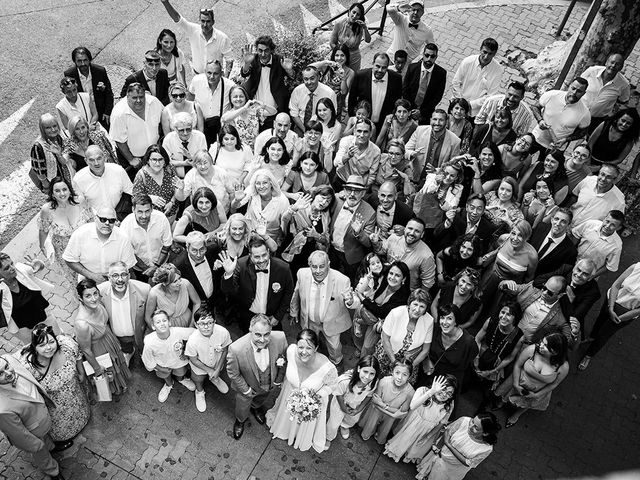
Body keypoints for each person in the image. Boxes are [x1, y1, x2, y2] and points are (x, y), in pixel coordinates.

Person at [17, 324, 90, 451]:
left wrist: (81, 372)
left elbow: (78, 354)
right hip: (54, 408)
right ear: (34, 348)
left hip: (75, 396)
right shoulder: (28, 366)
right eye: (42, 345)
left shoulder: (67, 346)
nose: (48, 348)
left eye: (51, 342)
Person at [265, 329, 338, 453]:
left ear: (316, 348)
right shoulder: (290, 351)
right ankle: (285, 429)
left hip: (310, 402)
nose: (303, 352)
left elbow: (332, 386)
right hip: (289, 396)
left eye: (309, 348)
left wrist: (314, 397)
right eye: (301, 347)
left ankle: (301, 435)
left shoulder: (327, 368)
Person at [0, 355, 64, 480]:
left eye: (7, 367)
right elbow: (19, 435)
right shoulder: (2, 409)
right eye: (0, 374)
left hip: (42, 420)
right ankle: (52, 471)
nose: (8, 373)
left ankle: (52, 448)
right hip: (33, 433)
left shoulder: (10, 359)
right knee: (41, 453)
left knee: (47, 441)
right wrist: (36, 446)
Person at [226, 314, 288, 439]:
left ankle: (256, 407)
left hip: (269, 383)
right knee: (242, 406)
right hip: (247, 387)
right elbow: (233, 373)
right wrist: (246, 390)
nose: (262, 339)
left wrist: (277, 381)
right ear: (250, 330)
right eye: (258, 334)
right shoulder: (236, 349)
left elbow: (284, 360)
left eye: (266, 334)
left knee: (262, 397)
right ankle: (240, 420)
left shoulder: (280, 338)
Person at [289, 251, 352, 366]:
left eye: (322, 266)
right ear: (309, 265)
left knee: (334, 346)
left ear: (328, 264)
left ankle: (336, 362)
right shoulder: (302, 274)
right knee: (309, 343)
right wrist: (294, 312)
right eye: (314, 267)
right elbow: (296, 293)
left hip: (332, 321)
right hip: (310, 321)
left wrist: (351, 301)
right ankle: (311, 362)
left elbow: (353, 301)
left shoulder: (342, 280)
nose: (318, 271)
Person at [220, 237, 294, 332]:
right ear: (250, 255)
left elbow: (288, 293)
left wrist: (278, 316)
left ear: (268, 251)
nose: (262, 260)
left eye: (264, 255)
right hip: (249, 316)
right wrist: (229, 273)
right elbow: (227, 290)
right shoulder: (241, 265)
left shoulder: (283, 268)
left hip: (272, 316)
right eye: (257, 257)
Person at [495, 332, 569, 427]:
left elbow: (554, 384)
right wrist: (515, 384)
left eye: (545, 346)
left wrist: (536, 395)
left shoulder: (563, 367)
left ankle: (516, 415)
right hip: (519, 380)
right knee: (507, 394)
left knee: (528, 404)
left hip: (538, 391)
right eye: (542, 341)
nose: (540, 345)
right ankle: (502, 402)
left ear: (555, 352)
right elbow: (518, 365)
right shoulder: (532, 349)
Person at [73, 279, 131, 396]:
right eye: (88, 296)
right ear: (80, 299)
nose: (94, 299)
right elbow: (86, 350)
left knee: (117, 364)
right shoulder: (82, 324)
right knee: (108, 371)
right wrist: (97, 368)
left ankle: (121, 383)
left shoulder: (98, 305)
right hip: (98, 351)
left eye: (95, 293)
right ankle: (113, 390)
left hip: (109, 340)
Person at [579, 261, 640, 371]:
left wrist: (621, 318)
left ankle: (588, 355)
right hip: (611, 299)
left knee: (604, 334)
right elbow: (616, 285)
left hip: (625, 313)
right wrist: (611, 307)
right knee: (599, 321)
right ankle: (591, 337)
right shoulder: (635, 267)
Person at [384, 375, 456, 463]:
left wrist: (427, 437)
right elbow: (413, 406)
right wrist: (432, 391)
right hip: (412, 425)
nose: (444, 394)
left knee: (415, 447)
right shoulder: (423, 391)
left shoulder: (447, 406)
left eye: (449, 393)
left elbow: (441, 423)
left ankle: (409, 454)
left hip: (426, 431)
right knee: (404, 440)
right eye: (443, 388)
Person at [38, 177, 94, 285]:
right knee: (76, 281)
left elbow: (92, 220)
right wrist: (42, 246)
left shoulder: (80, 201)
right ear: (52, 194)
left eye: (64, 189)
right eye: (57, 191)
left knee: (93, 274)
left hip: (86, 246)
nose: (62, 193)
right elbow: (43, 230)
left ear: (69, 190)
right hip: (64, 251)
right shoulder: (47, 209)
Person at [347, 261, 410, 356]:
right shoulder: (384, 280)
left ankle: (363, 363)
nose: (392, 277)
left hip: (380, 321)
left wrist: (362, 298)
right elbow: (375, 265)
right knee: (357, 331)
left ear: (403, 278)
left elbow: (381, 312)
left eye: (397, 275)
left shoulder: (403, 296)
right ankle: (359, 347)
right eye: (391, 273)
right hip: (369, 312)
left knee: (368, 346)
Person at [374, 288, 434, 383]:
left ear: (426, 309)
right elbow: (385, 339)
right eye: (415, 304)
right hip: (387, 354)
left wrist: (409, 367)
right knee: (381, 381)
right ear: (409, 304)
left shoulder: (429, 321)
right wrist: (394, 362)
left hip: (411, 361)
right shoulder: (396, 313)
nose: (417, 309)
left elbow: (425, 350)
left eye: (422, 306)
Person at [415, 413, 500, 480]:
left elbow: (469, 463)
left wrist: (448, 445)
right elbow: (448, 431)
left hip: (451, 469)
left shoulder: (486, 449)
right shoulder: (464, 420)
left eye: (476, 428)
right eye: (473, 421)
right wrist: (439, 446)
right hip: (440, 454)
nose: (470, 426)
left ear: (485, 433)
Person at [62, 206, 136, 283]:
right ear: (95, 219)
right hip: (88, 282)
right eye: (103, 219)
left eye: (111, 220)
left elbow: (128, 266)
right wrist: (91, 275)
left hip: (116, 282)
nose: (107, 223)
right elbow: (69, 259)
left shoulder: (123, 238)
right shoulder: (80, 234)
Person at [473, 301, 524, 412]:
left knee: (488, 393)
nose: (503, 317)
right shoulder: (491, 321)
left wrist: (492, 371)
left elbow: (510, 357)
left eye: (509, 314)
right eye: (502, 312)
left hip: (497, 364)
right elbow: (477, 339)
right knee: (470, 377)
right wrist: (476, 359)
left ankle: (482, 408)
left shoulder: (519, 336)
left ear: (515, 318)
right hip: (481, 353)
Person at [499, 276, 578, 346]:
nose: (544, 292)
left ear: (560, 295)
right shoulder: (530, 290)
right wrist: (505, 283)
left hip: (526, 346)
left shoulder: (561, 315)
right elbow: (506, 287)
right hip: (508, 335)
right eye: (544, 288)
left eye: (550, 293)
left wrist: (575, 333)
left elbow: (567, 343)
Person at [98, 261, 150, 366]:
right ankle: (129, 352)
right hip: (119, 336)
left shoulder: (145, 289)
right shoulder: (100, 292)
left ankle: (143, 354)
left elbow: (152, 314)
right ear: (109, 278)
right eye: (115, 276)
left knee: (145, 353)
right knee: (126, 346)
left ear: (129, 276)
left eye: (124, 275)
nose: (120, 279)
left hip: (140, 333)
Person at [160, 0, 232, 75]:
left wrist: (225, 79)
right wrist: (165, 2)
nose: (205, 24)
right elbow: (178, 19)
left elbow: (229, 60)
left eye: (208, 21)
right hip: (197, 75)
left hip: (215, 78)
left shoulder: (222, 38)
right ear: (199, 21)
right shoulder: (193, 30)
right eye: (203, 21)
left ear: (213, 22)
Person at [534, 258, 601, 336]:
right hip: (546, 305)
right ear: (574, 268)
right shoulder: (566, 269)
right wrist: (564, 290)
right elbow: (537, 281)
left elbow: (573, 318)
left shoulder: (593, 292)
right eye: (578, 270)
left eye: (585, 274)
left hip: (561, 321)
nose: (579, 275)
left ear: (590, 277)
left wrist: (562, 294)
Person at [239, 35, 295, 129]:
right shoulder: (253, 59)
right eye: (260, 50)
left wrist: (289, 70)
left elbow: (292, 77)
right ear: (257, 50)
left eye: (266, 50)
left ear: (271, 50)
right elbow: (244, 74)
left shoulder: (279, 60)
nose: (263, 54)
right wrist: (247, 63)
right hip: (255, 113)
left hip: (275, 112)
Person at [141, 309, 196, 403]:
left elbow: (194, 334)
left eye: (164, 320)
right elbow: (148, 360)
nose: (162, 324)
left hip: (178, 361)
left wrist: (187, 352)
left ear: (169, 322)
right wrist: (161, 368)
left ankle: (182, 379)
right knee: (165, 375)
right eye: (158, 322)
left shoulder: (177, 332)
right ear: (153, 326)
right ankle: (168, 385)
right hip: (162, 364)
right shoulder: (150, 342)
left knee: (181, 372)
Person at [0, 254, 57, 343]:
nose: (12, 268)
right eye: (7, 268)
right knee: (37, 349)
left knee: (58, 338)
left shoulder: (20, 269)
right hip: (24, 329)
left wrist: (38, 264)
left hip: (45, 316)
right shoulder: (1, 290)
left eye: (12, 263)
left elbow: (37, 267)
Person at [109, 84, 164, 177]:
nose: (138, 100)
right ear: (127, 97)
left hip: (154, 156)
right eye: (134, 97)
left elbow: (164, 118)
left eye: (141, 97)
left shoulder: (154, 102)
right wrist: (131, 159)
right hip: (132, 160)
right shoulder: (119, 113)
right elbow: (119, 140)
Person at [480, 220, 538, 306]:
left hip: (506, 291)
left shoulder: (532, 256)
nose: (515, 238)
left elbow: (528, 279)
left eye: (520, 235)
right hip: (488, 279)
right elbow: (492, 253)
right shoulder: (504, 238)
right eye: (513, 233)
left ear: (527, 237)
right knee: (477, 304)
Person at [329, 175, 376, 280]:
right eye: (349, 190)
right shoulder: (336, 200)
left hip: (351, 257)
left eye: (357, 191)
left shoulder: (370, 212)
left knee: (348, 281)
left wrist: (359, 232)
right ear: (344, 190)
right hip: (332, 250)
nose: (352, 194)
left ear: (363, 193)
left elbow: (368, 242)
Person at [325, 356, 380, 446]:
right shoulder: (345, 381)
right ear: (359, 368)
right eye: (365, 371)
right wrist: (343, 408)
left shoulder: (373, 383)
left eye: (372, 374)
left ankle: (344, 426)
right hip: (341, 403)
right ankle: (329, 437)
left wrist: (359, 409)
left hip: (356, 404)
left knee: (352, 419)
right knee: (334, 422)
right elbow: (338, 394)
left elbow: (368, 396)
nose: (367, 377)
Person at [185, 307, 231, 412]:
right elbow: (194, 359)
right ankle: (199, 391)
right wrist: (209, 370)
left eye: (209, 322)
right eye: (202, 323)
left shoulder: (223, 332)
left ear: (214, 321)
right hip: (199, 366)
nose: (206, 327)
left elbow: (225, 349)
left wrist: (218, 369)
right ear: (196, 325)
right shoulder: (192, 341)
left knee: (216, 373)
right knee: (198, 379)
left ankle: (215, 379)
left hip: (216, 362)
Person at [359, 359, 415, 444]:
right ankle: (369, 431)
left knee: (386, 426)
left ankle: (379, 435)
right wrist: (392, 412)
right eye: (397, 373)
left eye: (404, 375)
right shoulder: (384, 382)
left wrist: (382, 404)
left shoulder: (410, 392)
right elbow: (375, 402)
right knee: (373, 419)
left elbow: (401, 412)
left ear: (409, 377)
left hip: (389, 416)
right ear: (392, 372)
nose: (400, 377)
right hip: (377, 410)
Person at [372, 217, 436, 291]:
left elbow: (427, 283)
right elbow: (381, 252)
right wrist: (376, 243)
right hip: (386, 284)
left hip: (406, 292)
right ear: (405, 229)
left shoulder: (427, 256)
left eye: (417, 231)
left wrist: (416, 298)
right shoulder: (393, 238)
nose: (412, 233)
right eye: (410, 228)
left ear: (422, 234)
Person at [280, 186, 335, 273]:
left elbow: (327, 240)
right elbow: (284, 219)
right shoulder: (301, 206)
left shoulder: (325, 216)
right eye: (323, 198)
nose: (324, 202)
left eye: (328, 201)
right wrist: (294, 208)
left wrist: (316, 235)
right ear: (315, 195)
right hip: (292, 252)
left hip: (310, 258)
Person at [120, 194, 173, 282]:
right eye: (140, 212)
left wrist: (156, 266)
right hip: (140, 269)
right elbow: (128, 251)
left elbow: (167, 244)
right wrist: (147, 269)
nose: (144, 216)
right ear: (133, 210)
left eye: (147, 211)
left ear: (152, 208)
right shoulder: (126, 225)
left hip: (162, 264)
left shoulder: (161, 219)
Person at [231, 169, 291, 247]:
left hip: (269, 240)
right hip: (248, 235)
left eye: (265, 183)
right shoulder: (252, 190)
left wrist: (280, 240)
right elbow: (233, 209)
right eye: (258, 183)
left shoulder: (282, 200)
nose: (261, 186)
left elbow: (285, 224)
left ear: (271, 183)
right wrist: (236, 200)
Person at [423, 304, 478, 387]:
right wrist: (426, 360)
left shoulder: (468, 342)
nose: (444, 322)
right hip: (428, 374)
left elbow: (469, 362)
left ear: (456, 321)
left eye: (449, 318)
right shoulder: (435, 330)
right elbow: (424, 348)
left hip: (449, 382)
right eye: (442, 317)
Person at [530, 77, 591, 152]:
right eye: (573, 88)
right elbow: (535, 107)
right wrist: (540, 120)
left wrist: (566, 139)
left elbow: (583, 132)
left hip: (556, 147)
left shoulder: (585, 112)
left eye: (579, 91)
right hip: (537, 137)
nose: (574, 92)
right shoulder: (553, 95)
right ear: (569, 86)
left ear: (584, 93)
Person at [72, 145, 133, 217]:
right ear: (86, 161)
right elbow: (80, 206)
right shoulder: (78, 179)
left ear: (105, 157)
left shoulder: (118, 170)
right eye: (91, 160)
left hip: (121, 216)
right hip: (95, 220)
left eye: (99, 158)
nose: (96, 163)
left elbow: (131, 192)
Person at [348, 53, 403, 130]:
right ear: (373, 64)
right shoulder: (360, 76)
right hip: (362, 124)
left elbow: (397, 103)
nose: (380, 70)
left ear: (388, 66)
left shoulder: (396, 79)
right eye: (377, 66)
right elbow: (352, 99)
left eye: (384, 67)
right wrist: (355, 119)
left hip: (383, 126)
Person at [405, 110, 461, 185]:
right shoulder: (420, 130)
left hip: (435, 182)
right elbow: (405, 150)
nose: (437, 123)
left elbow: (454, 165)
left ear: (446, 122)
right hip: (414, 177)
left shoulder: (455, 141)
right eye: (435, 119)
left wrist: (437, 170)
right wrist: (412, 154)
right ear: (430, 120)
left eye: (441, 120)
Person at [451, 38, 503, 118]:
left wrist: (470, 104)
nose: (486, 57)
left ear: (494, 54)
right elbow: (456, 82)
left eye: (490, 54)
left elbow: (491, 96)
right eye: (484, 52)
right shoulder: (468, 62)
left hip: (476, 112)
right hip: (457, 107)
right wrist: (461, 102)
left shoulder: (497, 70)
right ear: (480, 49)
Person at [189, 60, 236, 146]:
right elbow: (190, 98)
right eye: (209, 73)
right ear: (204, 72)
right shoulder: (197, 81)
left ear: (221, 73)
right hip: (202, 126)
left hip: (221, 127)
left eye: (216, 73)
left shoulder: (229, 85)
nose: (212, 76)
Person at [64, 46, 114, 128]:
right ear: (75, 61)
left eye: (85, 60)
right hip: (83, 113)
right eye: (79, 61)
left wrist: (107, 112)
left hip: (101, 112)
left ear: (89, 59)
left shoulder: (100, 71)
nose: (83, 64)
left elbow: (108, 93)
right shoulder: (69, 74)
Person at [132, 145, 183, 222]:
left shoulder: (169, 169)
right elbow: (135, 197)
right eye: (154, 160)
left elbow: (177, 187)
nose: (157, 163)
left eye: (160, 159)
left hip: (172, 214)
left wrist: (172, 202)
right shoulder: (141, 175)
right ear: (148, 160)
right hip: (152, 218)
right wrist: (150, 198)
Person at [413, 160, 465, 235]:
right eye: (446, 173)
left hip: (435, 221)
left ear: (456, 178)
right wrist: (436, 182)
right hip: (420, 210)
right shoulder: (432, 177)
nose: (448, 177)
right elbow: (426, 191)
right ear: (442, 171)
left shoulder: (458, 188)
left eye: (452, 175)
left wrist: (443, 200)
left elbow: (452, 208)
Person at [580, 53, 630, 131]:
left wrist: (612, 112)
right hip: (577, 111)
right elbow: (578, 85)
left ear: (621, 67)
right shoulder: (592, 71)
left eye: (617, 64)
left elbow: (623, 100)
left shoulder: (624, 84)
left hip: (596, 120)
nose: (613, 66)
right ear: (606, 62)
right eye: (612, 62)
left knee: (584, 141)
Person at [173, 231, 219, 313]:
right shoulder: (178, 265)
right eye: (194, 251)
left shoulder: (213, 250)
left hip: (214, 301)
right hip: (194, 307)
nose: (198, 255)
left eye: (202, 249)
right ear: (187, 248)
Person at [402, 43, 447, 125]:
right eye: (427, 55)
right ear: (423, 54)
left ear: (436, 57)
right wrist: (412, 109)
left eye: (432, 56)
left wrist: (421, 112)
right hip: (408, 110)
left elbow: (437, 96)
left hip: (426, 114)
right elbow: (405, 89)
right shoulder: (412, 68)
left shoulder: (441, 73)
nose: (429, 59)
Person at [221, 85, 277, 149]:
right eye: (235, 97)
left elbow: (273, 112)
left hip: (255, 149)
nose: (238, 99)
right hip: (238, 150)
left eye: (241, 96)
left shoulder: (253, 111)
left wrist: (263, 105)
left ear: (245, 97)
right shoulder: (230, 114)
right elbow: (224, 119)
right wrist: (244, 108)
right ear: (230, 99)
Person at [146, 263, 201, 328]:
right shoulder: (154, 293)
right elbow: (148, 318)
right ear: (165, 283)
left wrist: (192, 324)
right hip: (167, 326)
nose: (180, 283)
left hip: (188, 321)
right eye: (175, 281)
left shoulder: (186, 284)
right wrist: (160, 331)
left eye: (179, 278)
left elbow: (197, 303)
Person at [309, 45, 356, 122]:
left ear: (346, 56)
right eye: (337, 55)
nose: (339, 58)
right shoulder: (327, 67)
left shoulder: (350, 72)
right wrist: (325, 62)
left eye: (342, 55)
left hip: (335, 103)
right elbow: (310, 68)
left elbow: (344, 92)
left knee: (331, 125)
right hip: (320, 99)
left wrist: (343, 78)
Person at [571, 210, 623, 278]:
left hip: (586, 274)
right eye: (607, 221)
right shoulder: (590, 224)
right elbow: (576, 234)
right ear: (604, 219)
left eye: (613, 225)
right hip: (571, 261)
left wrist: (592, 276)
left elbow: (610, 266)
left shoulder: (617, 245)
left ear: (618, 228)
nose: (607, 226)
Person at [30, 113, 73, 192]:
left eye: (54, 126)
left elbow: (66, 158)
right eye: (48, 128)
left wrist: (59, 154)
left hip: (68, 175)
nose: (53, 129)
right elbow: (39, 169)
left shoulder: (62, 136)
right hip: (52, 182)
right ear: (43, 130)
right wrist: (46, 186)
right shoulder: (38, 146)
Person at [381, 0, 434, 65]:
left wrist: (421, 60)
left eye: (418, 10)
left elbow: (432, 48)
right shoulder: (401, 19)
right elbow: (388, 8)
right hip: (391, 58)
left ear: (422, 12)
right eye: (413, 9)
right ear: (408, 10)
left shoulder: (427, 31)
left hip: (406, 65)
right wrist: (398, 7)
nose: (415, 12)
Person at [528, 208, 577, 277]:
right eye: (556, 219)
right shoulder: (540, 228)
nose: (558, 224)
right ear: (551, 219)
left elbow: (558, 273)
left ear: (568, 225)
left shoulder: (571, 251)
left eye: (563, 221)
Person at [288, 66, 337, 135]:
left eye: (312, 78)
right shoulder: (297, 91)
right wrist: (305, 130)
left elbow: (333, 114)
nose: (309, 82)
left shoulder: (329, 93)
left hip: (322, 128)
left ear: (318, 77)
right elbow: (294, 114)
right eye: (306, 79)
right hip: (300, 126)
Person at [333, 119, 381, 189]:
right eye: (359, 131)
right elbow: (336, 163)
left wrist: (361, 189)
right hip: (341, 180)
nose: (362, 135)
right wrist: (348, 156)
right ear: (354, 131)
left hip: (360, 185)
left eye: (365, 132)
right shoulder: (346, 141)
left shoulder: (376, 151)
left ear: (371, 134)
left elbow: (372, 176)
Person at [162, 111, 208, 179]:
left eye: (188, 129)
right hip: (176, 178)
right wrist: (184, 163)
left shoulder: (200, 137)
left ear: (192, 127)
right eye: (181, 130)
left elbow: (205, 159)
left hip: (198, 176)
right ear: (175, 129)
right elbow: (165, 162)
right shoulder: (168, 139)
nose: (185, 133)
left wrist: (191, 157)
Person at [330, 2, 371, 71]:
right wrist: (340, 55)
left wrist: (365, 28)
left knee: (353, 78)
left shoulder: (360, 27)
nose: (354, 16)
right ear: (349, 12)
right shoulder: (339, 24)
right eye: (353, 12)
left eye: (358, 15)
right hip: (341, 58)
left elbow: (368, 40)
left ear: (360, 17)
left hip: (354, 58)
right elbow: (332, 43)